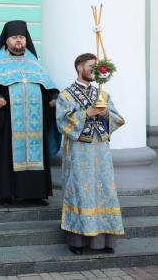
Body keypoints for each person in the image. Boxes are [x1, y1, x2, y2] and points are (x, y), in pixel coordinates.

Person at [0, 20, 61, 207]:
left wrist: (53, 98)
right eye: (14, 38)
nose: (18, 41)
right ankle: (6, 193)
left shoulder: (34, 63)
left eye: (21, 37)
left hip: (35, 120)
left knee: (35, 154)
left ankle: (36, 193)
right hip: (7, 122)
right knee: (7, 156)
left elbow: (48, 86)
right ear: (6, 40)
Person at [56, 53, 125, 255]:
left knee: (104, 192)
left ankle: (103, 242)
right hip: (78, 152)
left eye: (97, 67)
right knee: (80, 192)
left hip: (101, 152)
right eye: (91, 66)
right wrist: (88, 112)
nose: (95, 70)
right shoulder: (66, 95)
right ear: (79, 67)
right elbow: (62, 122)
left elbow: (118, 119)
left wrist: (104, 114)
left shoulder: (101, 93)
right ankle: (77, 242)